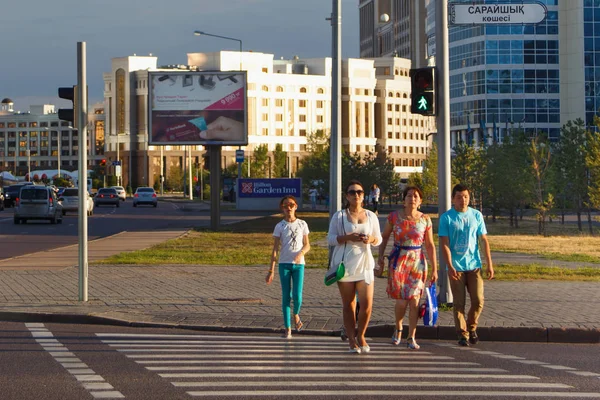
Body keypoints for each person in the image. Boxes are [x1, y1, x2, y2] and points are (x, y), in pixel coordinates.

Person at [376, 186, 437, 350]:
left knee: (415, 301)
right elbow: (385, 236)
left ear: (420, 201)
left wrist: (435, 269)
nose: (413, 198)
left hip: (417, 262)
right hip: (398, 261)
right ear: (404, 200)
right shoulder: (394, 217)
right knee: (402, 302)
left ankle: (412, 336)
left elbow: (430, 245)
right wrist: (380, 257)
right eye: (409, 195)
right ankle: (398, 327)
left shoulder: (425, 219)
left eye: (416, 196)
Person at [327, 180, 382, 353]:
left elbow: (378, 239)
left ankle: (361, 335)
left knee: (367, 304)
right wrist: (348, 237)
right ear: (347, 196)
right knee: (349, 304)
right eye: (352, 192)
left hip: (364, 263)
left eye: (359, 192)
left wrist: (370, 239)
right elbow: (330, 239)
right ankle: (351, 339)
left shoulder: (371, 215)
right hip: (345, 265)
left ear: (364, 196)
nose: (356, 195)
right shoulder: (339, 216)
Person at [438, 183, 494, 347]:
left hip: (474, 265)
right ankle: (462, 334)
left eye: (466, 197)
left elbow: (483, 240)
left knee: (478, 300)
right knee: (459, 303)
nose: (463, 200)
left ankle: (471, 326)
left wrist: (489, 263)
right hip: (456, 267)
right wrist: (449, 264)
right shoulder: (447, 218)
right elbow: (444, 243)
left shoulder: (476, 215)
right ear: (453, 199)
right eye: (459, 197)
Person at [266, 195, 311, 339]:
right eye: (285, 205)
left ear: (296, 206)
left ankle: (296, 313)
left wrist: (301, 254)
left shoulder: (302, 224)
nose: (289, 208)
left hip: (299, 265)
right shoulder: (280, 226)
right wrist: (271, 270)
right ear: (282, 208)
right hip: (284, 264)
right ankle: (288, 328)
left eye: (291, 205)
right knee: (286, 296)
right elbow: (275, 249)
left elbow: (307, 244)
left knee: (297, 296)